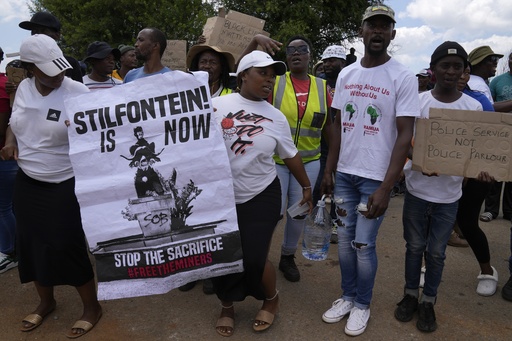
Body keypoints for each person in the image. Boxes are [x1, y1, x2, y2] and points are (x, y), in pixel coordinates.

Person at [320, 4, 420, 336]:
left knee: (364, 246)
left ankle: (362, 304)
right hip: (345, 175)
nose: (377, 31)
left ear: (392, 33)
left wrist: (386, 187)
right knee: (346, 243)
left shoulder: (402, 76)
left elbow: (406, 133)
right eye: (371, 26)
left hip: (375, 178)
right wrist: (329, 170)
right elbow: (336, 125)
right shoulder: (347, 74)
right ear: (361, 32)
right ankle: (348, 297)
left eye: (384, 26)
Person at [0, 34, 102, 339]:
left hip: (64, 182)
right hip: (28, 181)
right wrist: (8, 141)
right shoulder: (23, 90)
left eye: (60, 68)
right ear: (30, 67)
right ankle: (46, 301)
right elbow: (14, 124)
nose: (58, 74)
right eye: (49, 69)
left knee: (65, 244)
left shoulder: (77, 91)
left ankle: (92, 307)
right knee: (31, 245)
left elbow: (100, 137)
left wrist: (83, 131)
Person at [211, 50, 313, 337]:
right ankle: (227, 306)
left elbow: (290, 155)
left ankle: (271, 299)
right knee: (223, 256)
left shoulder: (276, 117)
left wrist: (306, 186)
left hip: (262, 193)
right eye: (262, 73)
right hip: (221, 196)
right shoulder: (215, 106)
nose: (269, 80)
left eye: (272, 75)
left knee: (254, 257)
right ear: (244, 75)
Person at [394, 41, 486, 332]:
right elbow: (402, 141)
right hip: (417, 190)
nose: (450, 71)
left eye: (457, 66)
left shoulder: (472, 107)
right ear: (433, 69)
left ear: (465, 72)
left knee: (436, 252)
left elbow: (478, 150)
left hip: (449, 195)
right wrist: (418, 158)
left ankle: (428, 301)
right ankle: (410, 295)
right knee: (414, 247)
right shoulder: (419, 102)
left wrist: (483, 170)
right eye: (444, 65)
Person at [241, 34, 332, 283]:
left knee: (299, 213)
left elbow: (330, 132)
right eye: (291, 49)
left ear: (310, 55)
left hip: (310, 162)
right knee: (273, 212)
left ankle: (287, 257)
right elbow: (243, 70)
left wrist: (328, 169)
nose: (296, 53)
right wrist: (255, 40)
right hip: (278, 162)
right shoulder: (274, 81)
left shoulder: (323, 88)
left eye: (302, 49)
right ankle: (260, 259)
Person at [178, 44, 236, 293]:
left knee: (214, 219)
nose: (207, 66)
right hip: (190, 165)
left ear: (221, 67)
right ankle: (193, 269)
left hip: (221, 166)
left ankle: (212, 269)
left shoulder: (232, 94)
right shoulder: (184, 91)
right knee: (190, 216)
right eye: (203, 62)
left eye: (213, 62)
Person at [314, 45, 347, 243]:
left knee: (340, 186)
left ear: (343, 63)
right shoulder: (319, 84)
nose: (327, 64)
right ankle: (318, 217)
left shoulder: (349, 83)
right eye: (325, 61)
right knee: (320, 182)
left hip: (344, 142)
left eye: (332, 60)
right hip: (323, 142)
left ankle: (335, 221)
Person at [480, 51, 512, 223]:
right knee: (497, 170)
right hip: (501, 133)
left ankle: (509, 211)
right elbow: (489, 106)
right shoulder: (498, 81)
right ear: (509, 61)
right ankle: (490, 210)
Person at [18, 11, 83, 83]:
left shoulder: (71, 63)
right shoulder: (25, 63)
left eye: (43, 31)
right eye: (34, 31)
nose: (37, 35)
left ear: (57, 35)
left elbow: (80, 93)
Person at [0, 46, 18, 274]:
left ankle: (10, 252)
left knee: (3, 206)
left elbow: (3, 124)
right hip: (10, 153)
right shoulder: (7, 82)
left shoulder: (3, 85)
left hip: (5, 154)